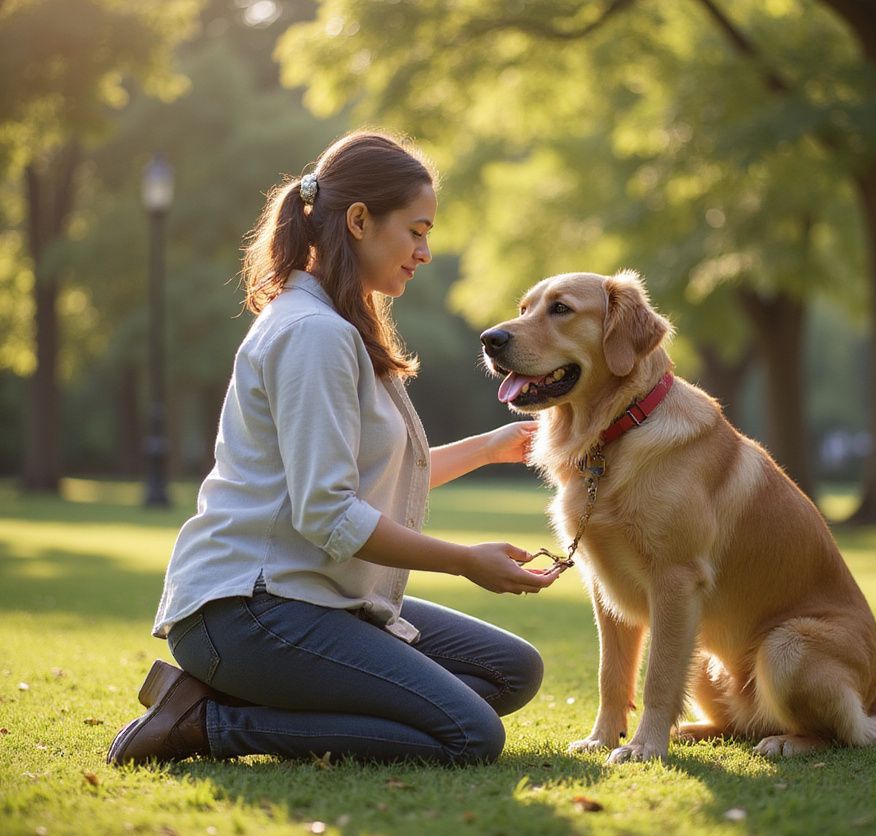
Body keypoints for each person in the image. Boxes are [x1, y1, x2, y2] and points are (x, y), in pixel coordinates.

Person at [107, 130, 559, 768]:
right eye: (417, 230)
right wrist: (464, 561)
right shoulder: (312, 334)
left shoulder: (340, 324)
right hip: (248, 611)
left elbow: (369, 482)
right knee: (470, 735)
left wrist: (491, 447)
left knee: (510, 672)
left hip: (312, 597)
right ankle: (207, 723)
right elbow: (330, 514)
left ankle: (266, 701)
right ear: (358, 220)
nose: (425, 252)